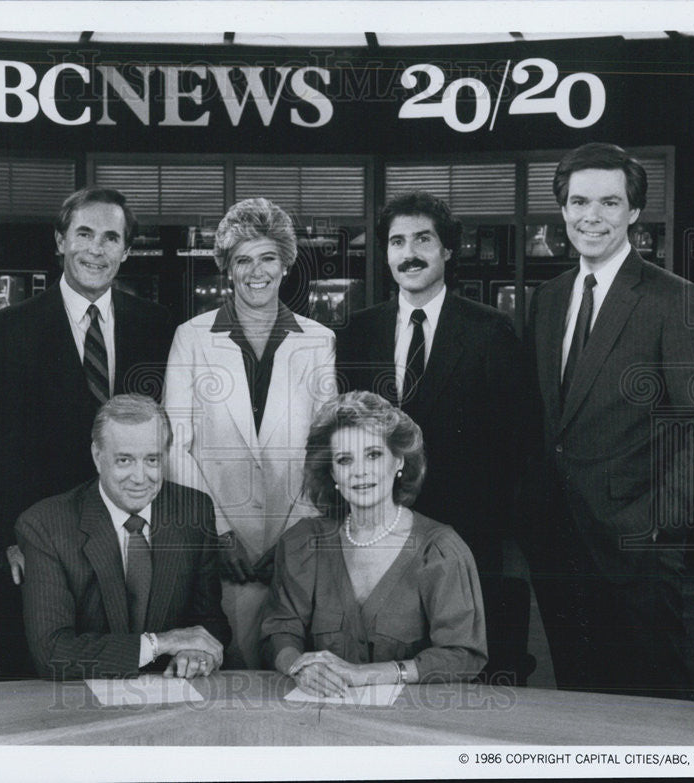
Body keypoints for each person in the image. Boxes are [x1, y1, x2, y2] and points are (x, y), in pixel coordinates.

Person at [522, 142, 694, 700]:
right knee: (577, 689)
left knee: (655, 701)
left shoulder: (674, 300)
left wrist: (656, 522)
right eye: (578, 202)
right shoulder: (548, 299)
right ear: (563, 210)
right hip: (556, 541)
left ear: (634, 212)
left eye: (609, 202)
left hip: (637, 547)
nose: (591, 216)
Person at [335, 192, 521, 681]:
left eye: (423, 239)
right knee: (379, 668)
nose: (409, 252)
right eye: (397, 241)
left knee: (461, 672)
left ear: (448, 251)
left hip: (467, 534)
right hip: (375, 531)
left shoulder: (492, 330)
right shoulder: (357, 332)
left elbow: (515, 443)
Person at [0, 187, 174, 675]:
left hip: (136, 532)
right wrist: (7, 535)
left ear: (126, 250)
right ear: (60, 240)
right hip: (49, 539)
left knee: (138, 676)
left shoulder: (161, 328)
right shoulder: (7, 330)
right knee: (61, 678)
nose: (97, 249)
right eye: (84, 234)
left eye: (111, 238)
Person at [164, 197, 336, 668]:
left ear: (285, 264)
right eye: (242, 260)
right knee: (221, 668)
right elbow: (175, 445)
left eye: (267, 258)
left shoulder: (319, 341)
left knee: (289, 669)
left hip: (294, 539)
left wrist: (296, 534)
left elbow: (325, 448)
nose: (255, 272)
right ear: (227, 268)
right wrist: (217, 532)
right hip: (215, 544)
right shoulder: (191, 336)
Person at [259, 391, 487, 696]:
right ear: (332, 473)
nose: (360, 471)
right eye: (344, 460)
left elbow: (463, 656)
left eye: (373, 454)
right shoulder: (303, 543)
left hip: (415, 723)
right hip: (322, 712)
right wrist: (299, 665)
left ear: (399, 461)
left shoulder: (441, 550)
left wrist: (365, 674)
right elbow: (280, 630)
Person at [16, 394, 231, 679]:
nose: (140, 478)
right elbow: (52, 653)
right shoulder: (45, 526)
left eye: (152, 459)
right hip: (82, 701)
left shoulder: (194, 511)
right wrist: (160, 643)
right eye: (125, 460)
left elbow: (209, 622)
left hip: (174, 691)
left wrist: (196, 653)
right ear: (97, 456)